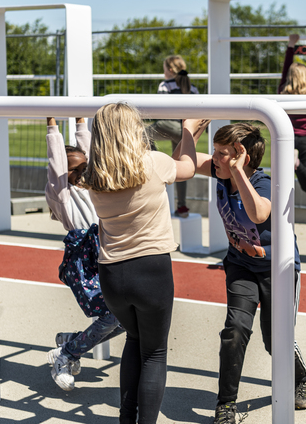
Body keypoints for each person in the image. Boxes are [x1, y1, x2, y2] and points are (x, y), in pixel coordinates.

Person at [80, 102, 204, 424]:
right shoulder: (152, 163)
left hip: (112, 275)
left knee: (134, 341)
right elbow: (187, 167)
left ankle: (126, 419)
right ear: (132, 131)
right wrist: (189, 131)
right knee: (155, 353)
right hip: (150, 271)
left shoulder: (94, 175)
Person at [190, 122, 306, 424]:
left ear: (242, 158)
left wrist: (235, 171)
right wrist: (189, 130)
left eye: (223, 154)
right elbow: (186, 162)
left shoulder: (263, 182)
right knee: (235, 330)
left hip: (279, 270)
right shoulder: (220, 171)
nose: (215, 158)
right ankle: (226, 405)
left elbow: (258, 212)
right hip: (241, 265)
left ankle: (303, 377)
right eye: (216, 152)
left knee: (276, 339)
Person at [44, 117, 125, 392]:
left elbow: (90, 154)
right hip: (84, 259)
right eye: (72, 170)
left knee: (127, 317)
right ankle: (66, 354)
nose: (80, 173)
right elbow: (56, 163)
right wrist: (52, 126)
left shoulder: (91, 187)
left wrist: (81, 123)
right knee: (114, 315)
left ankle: (73, 342)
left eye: (83, 168)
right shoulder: (61, 193)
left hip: (105, 252)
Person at [145, 54, 200, 218]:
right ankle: (182, 207)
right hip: (186, 129)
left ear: (169, 70)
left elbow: (162, 110)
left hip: (169, 125)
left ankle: (152, 160)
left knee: (141, 134)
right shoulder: (193, 88)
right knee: (180, 166)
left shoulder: (165, 85)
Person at [278, 33, 306, 194]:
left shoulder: (282, 91)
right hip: (305, 139)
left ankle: (293, 161)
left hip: (284, 137)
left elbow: (285, 68)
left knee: (280, 182)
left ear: (289, 77)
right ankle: (296, 163)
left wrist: (291, 44)